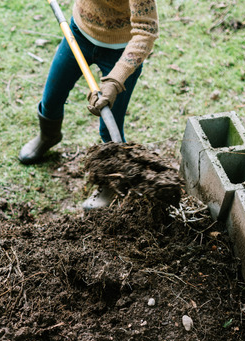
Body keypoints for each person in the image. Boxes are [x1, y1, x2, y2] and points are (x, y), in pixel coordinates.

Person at [18, 0, 159, 209]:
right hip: (78, 35)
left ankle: (110, 180)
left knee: (110, 126)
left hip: (120, 51)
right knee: (51, 98)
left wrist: (116, 79)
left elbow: (146, 30)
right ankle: (48, 136)